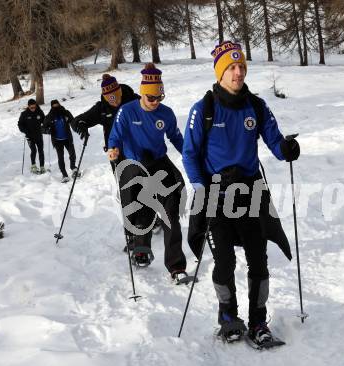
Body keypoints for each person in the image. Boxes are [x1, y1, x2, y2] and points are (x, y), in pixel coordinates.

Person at [182, 41, 300, 346]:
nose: (238, 73)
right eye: (232, 68)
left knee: (258, 261)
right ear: (220, 72)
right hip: (216, 195)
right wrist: (199, 186)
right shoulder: (203, 109)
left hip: (251, 192)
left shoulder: (256, 106)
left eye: (242, 67)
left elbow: (275, 141)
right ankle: (227, 317)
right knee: (224, 263)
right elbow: (189, 154)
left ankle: (258, 321)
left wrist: (287, 149)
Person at [107, 63, 188, 283]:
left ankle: (176, 266)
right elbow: (115, 135)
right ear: (143, 93)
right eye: (151, 98)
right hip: (135, 163)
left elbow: (176, 139)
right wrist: (113, 149)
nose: (155, 102)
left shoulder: (166, 114)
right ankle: (141, 249)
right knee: (141, 207)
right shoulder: (128, 110)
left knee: (171, 210)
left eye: (159, 98)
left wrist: (191, 154)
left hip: (159, 162)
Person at [71, 74, 140, 172]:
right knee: (126, 185)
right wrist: (81, 125)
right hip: (116, 153)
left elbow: (153, 110)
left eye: (116, 97)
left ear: (120, 91)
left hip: (139, 148)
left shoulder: (134, 100)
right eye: (111, 99)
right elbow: (76, 121)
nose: (115, 102)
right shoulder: (102, 109)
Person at [43, 100, 78, 183]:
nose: (56, 107)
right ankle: (64, 174)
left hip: (67, 138)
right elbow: (43, 128)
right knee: (60, 157)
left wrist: (76, 126)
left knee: (72, 153)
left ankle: (73, 168)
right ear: (52, 107)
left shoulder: (65, 113)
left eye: (57, 105)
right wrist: (47, 130)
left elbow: (73, 122)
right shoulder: (49, 116)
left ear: (59, 104)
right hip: (57, 140)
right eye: (54, 106)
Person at [18, 98, 46, 174]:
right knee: (33, 150)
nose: (33, 109)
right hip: (29, 137)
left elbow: (44, 121)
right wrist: (25, 131)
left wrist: (46, 127)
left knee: (41, 151)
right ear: (28, 106)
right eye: (31, 107)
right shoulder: (24, 114)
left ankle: (42, 167)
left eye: (34, 107)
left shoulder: (39, 112)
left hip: (38, 135)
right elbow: (20, 124)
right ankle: (33, 166)